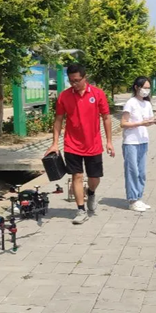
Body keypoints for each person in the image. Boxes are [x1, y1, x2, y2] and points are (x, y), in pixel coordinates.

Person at [45, 64, 114, 225]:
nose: (74, 84)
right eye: (71, 81)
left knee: (94, 178)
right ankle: (81, 210)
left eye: (77, 80)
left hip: (93, 144)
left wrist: (109, 141)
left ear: (84, 78)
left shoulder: (97, 94)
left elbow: (106, 117)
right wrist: (55, 143)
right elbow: (58, 119)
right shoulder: (64, 96)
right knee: (77, 176)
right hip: (72, 144)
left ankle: (91, 192)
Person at [121, 77, 156, 212]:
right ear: (137, 87)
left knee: (142, 172)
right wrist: (140, 123)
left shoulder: (147, 104)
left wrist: (153, 121)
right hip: (131, 142)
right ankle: (132, 200)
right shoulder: (130, 103)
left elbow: (146, 121)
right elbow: (123, 123)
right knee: (133, 171)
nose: (146, 90)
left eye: (148, 88)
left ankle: (139, 197)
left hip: (143, 141)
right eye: (144, 87)